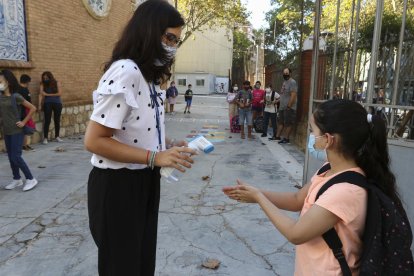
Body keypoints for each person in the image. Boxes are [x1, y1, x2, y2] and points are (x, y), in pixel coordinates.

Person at [223, 99, 403, 275]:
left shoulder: (346, 190)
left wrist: (258, 198)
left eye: (312, 130)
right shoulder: (329, 169)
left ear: (328, 139)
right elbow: (297, 200)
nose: (310, 136)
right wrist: (255, 192)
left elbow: (296, 234)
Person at [83, 1, 195, 275]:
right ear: (147, 31)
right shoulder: (126, 71)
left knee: (141, 263)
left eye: (176, 41)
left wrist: (166, 146)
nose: (172, 47)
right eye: (169, 37)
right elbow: (95, 140)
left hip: (145, 179)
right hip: (118, 186)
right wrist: (154, 156)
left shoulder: (148, 78)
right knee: (121, 267)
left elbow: (135, 130)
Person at [0, 69, 38, 191]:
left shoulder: (16, 96)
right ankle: (16, 179)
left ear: (8, 82)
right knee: (11, 156)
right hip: (6, 130)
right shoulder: (0, 97)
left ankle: (31, 179)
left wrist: (24, 122)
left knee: (16, 156)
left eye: (0, 81)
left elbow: (33, 108)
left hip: (17, 131)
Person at [38, 71, 63, 144]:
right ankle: (45, 138)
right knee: (47, 120)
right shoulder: (42, 84)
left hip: (57, 103)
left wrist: (47, 94)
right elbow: (40, 94)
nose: (45, 79)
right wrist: (39, 105)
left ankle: (57, 136)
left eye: (47, 77)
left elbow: (60, 93)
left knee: (57, 120)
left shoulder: (57, 82)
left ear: (50, 77)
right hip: (47, 103)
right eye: (44, 78)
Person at [276, 68, 298, 144]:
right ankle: (277, 136)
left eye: (287, 73)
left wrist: (289, 106)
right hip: (282, 107)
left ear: (290, 73)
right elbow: (283, 94)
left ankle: (286, 138)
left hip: (289, 107)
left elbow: (293, 95)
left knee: (288, 123)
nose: (285, 74)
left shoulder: (292, 82)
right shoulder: (285, 82)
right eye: (284, 73)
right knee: (280, 122)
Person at [19, 74, 35, 151]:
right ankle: (24, 145)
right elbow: (29, 101)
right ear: (27, 81)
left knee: (23, 128)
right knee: (26, 128)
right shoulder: (25, 90)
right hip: (25, 111)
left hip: (19, 111)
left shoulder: (17, 89)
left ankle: (24, 145)